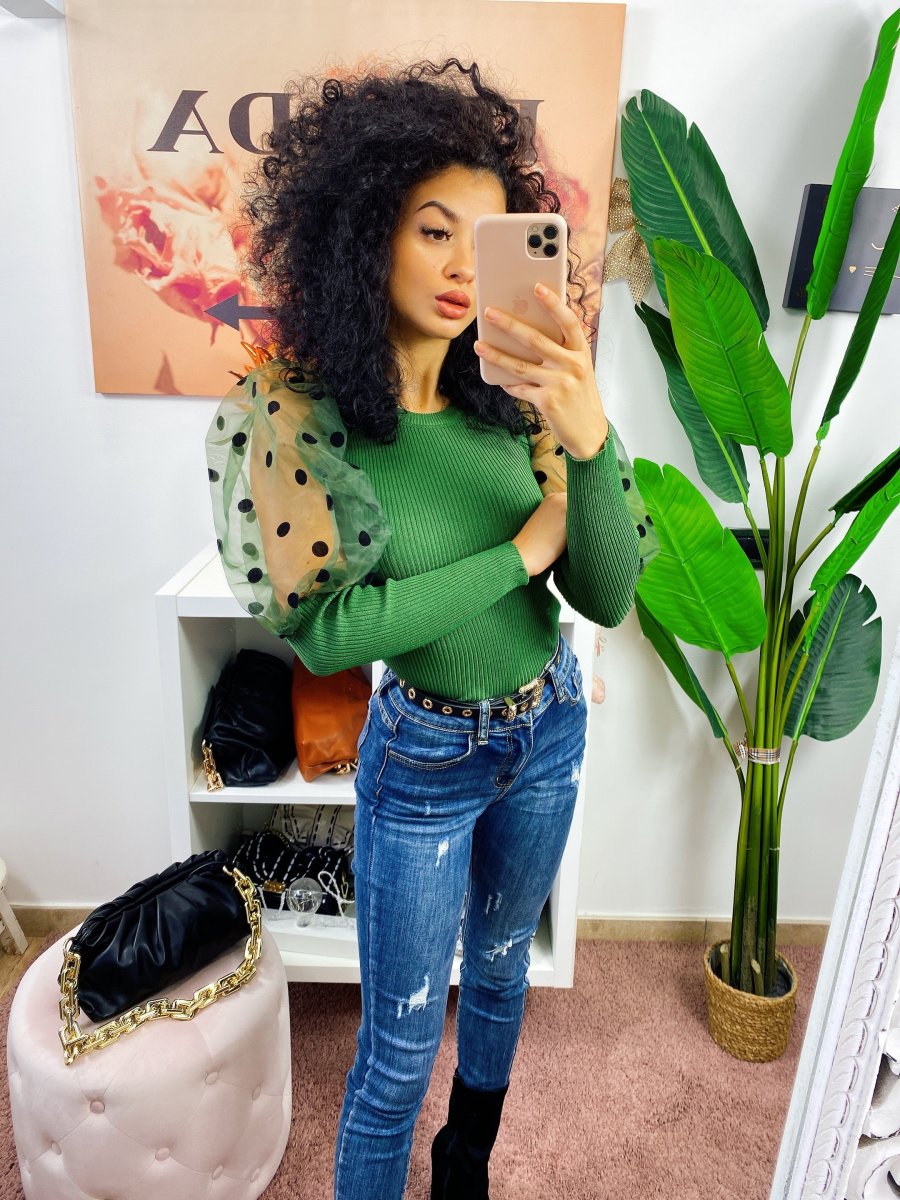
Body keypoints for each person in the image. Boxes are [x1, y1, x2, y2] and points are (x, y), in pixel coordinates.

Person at [206, 56, 642, 1200]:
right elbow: (330, 634)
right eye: (433, 230)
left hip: (548, 727)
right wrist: (521, 553)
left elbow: (607, 597)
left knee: (498, 974)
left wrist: (590, 437)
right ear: (365, 236)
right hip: (424, 760)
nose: (460, 268)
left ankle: (465, 1170)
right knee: (398, 1043)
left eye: (484, 241)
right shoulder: (301, 417)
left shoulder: (517, 403)